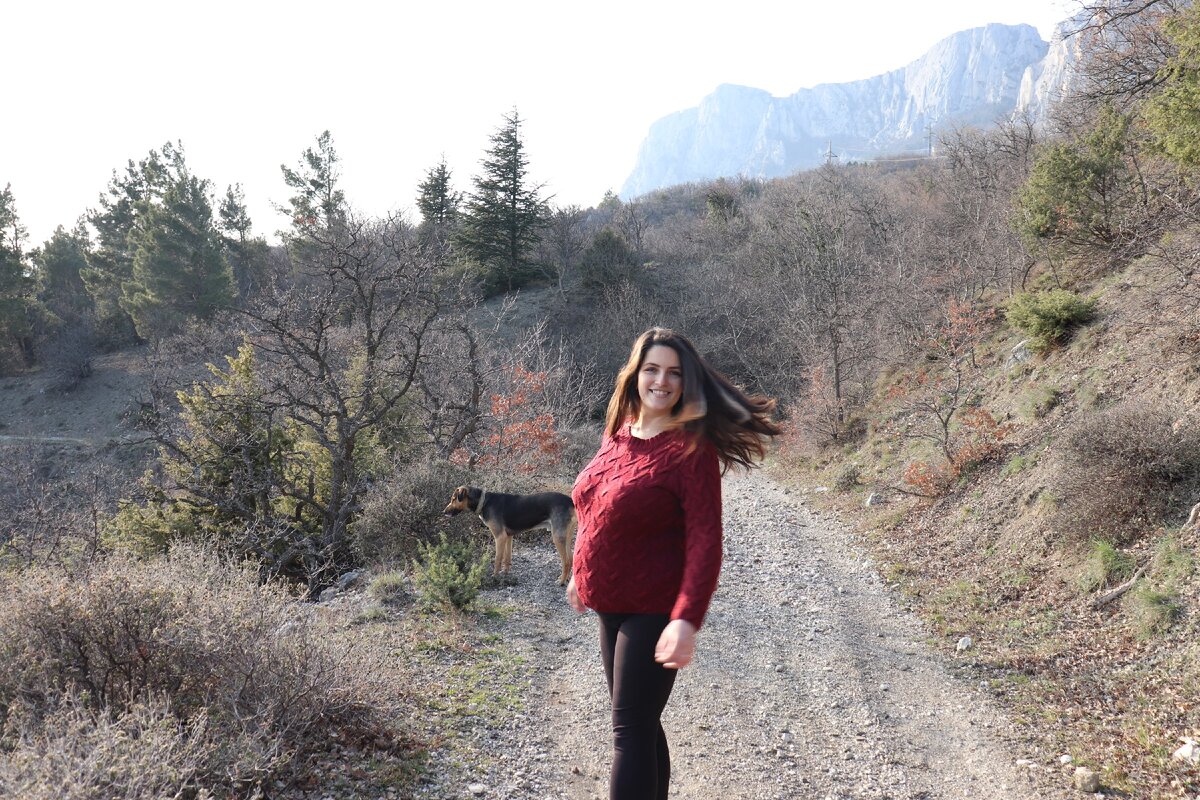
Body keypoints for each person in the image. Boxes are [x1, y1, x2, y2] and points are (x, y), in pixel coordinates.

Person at [566, 327, 780, 800]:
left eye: (674, 373)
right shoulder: (619, 431)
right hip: (610, 603)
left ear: (686, 383)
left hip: (653, 607)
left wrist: (685, 619)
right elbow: (593, 504)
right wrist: (580, 573)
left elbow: (706, 542)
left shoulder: (690, 451)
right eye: (652, 369)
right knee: (641, 724)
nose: (661, 381)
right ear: (635, 375)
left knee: (628, 730)